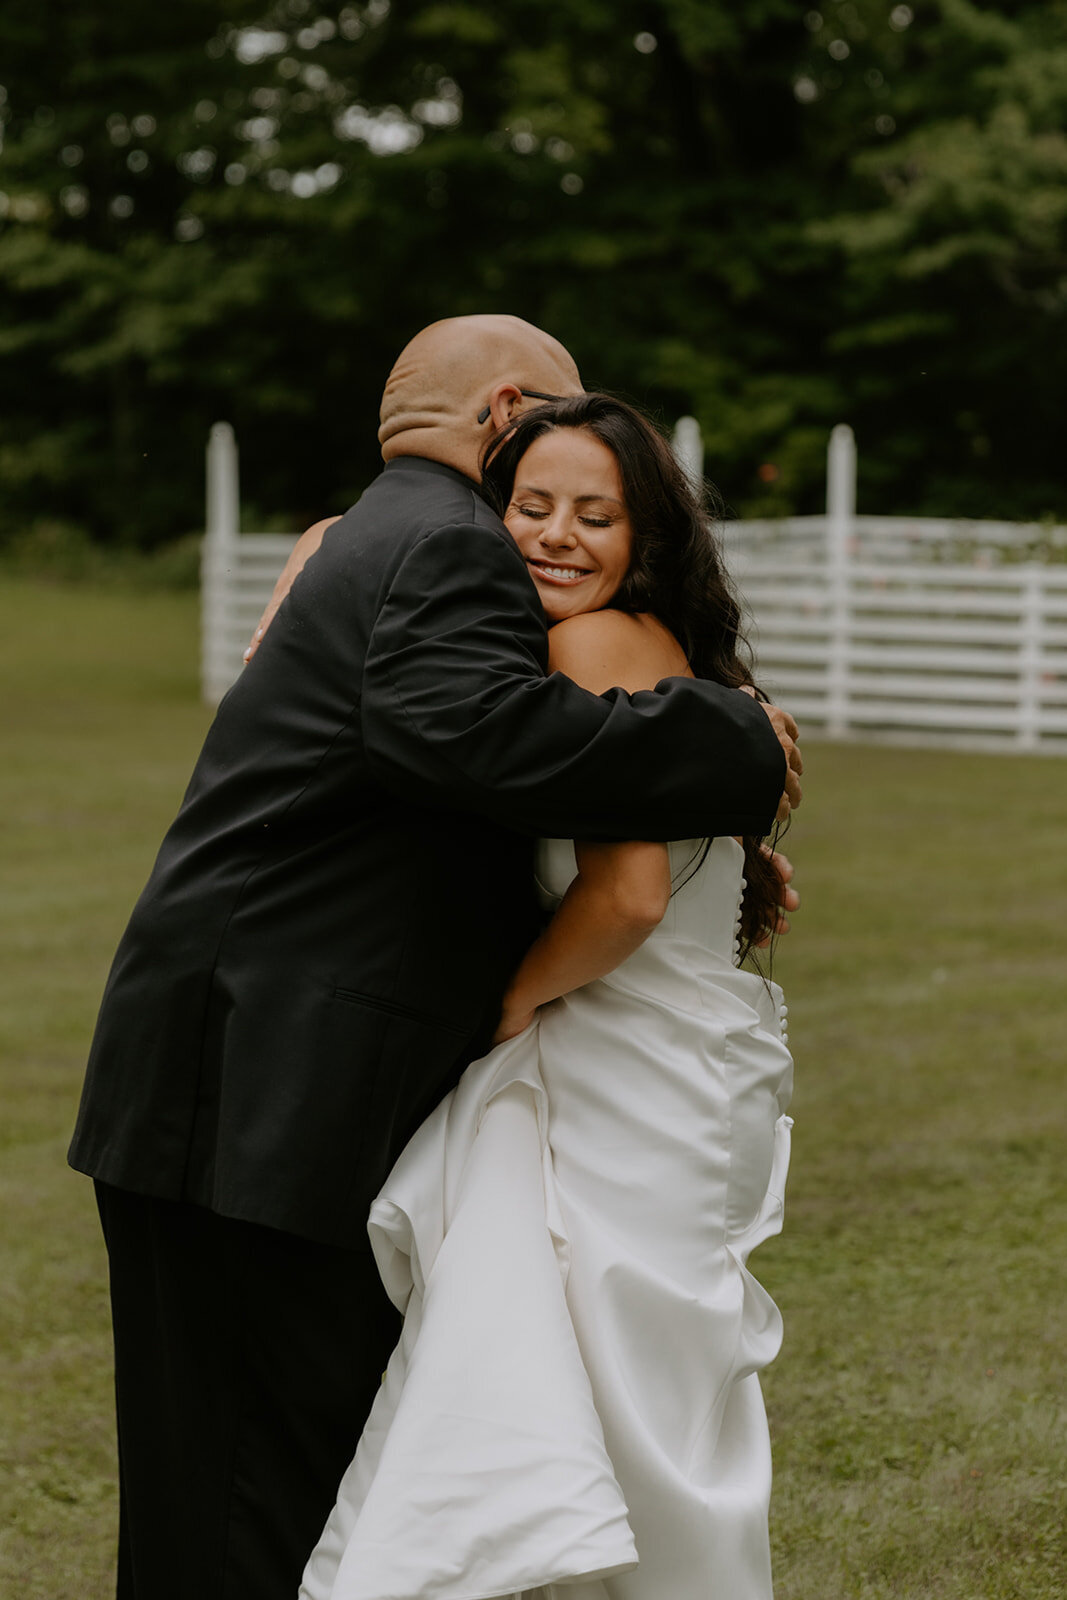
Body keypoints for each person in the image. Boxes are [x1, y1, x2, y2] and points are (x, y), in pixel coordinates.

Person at [68, 315, 801, 1600]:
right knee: (251, 1495)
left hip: (231, 1071)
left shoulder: (378, 536)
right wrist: (736, 740)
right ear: (509, 409)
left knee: (236, 1484)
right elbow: (478, 736)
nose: (549, 524)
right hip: (257, 1085)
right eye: (539, 466)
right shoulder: (443, 547)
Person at [298, 393, 795, 1600]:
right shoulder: (630, 651)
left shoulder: (586, 646)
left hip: (619, 1076)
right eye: (530, 506)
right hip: (662, 1065)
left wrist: (510, 1004)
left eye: (595, 514)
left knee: (608, 1404)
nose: (556, 536)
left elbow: (622, 896)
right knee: (618, 1398)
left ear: (643, 541)